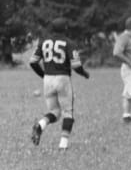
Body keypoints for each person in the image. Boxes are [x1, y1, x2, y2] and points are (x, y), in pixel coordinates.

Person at [29, 17, 90, 150]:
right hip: (63, 78)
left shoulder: (44, 42)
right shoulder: (69, 43)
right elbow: (76, 65)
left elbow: (33, 62)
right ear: (66, 28)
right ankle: (63, 145)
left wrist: (43, 75)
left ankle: (40, 125)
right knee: (68, 112)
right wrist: (84, 73)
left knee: (54, 111)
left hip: (48, 79)